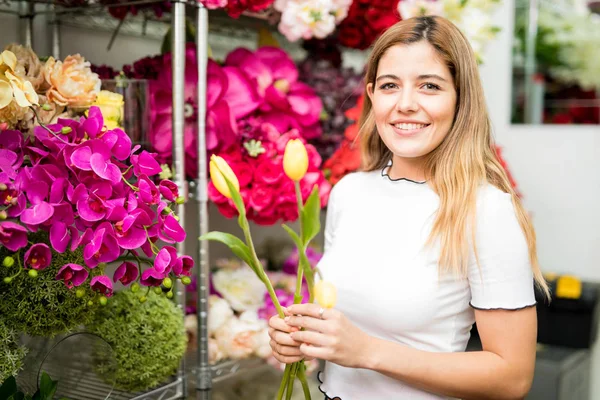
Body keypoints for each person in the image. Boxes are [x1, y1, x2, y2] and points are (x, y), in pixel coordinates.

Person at [268, 15, 550, 400]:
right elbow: (343, 330)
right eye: (389, 86)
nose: (405, 105)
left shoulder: (485, 210)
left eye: (429, 86)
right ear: (371, 95)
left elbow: (512, 376)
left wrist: (366, 351)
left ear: (460, 98)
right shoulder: (349, 192)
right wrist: (301, 340)